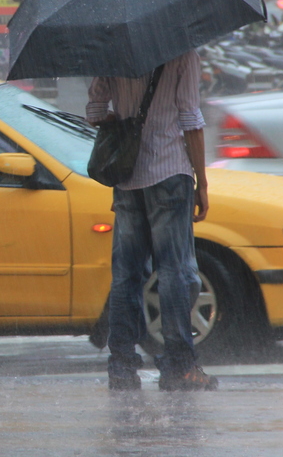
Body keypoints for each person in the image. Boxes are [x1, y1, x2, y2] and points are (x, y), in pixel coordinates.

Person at [86, 50, 217, 392]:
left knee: (126, 276)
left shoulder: (113, 50)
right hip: (169, 173)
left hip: (127, 179)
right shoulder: (182, 52)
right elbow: (190, 119)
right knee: (174, 272)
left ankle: (121, 367)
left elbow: (96, 111)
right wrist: (202, 183)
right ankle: (179, 367)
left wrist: (124, 126)